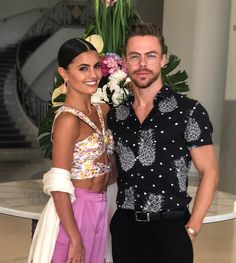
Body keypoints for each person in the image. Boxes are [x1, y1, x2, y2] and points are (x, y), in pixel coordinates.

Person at [107, 23, 219, 263]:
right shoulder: (117, 115)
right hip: (125, 229)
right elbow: (113, 170)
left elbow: (209, 171)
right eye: (135, 56)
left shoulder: (189, 111)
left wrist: (192, 228)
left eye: (151, 55)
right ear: (125, 62)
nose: (143, 64)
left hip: (171, 229)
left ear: (163, 60)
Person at [28, 38, 114, 263]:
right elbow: (58, 184)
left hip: (101, 206)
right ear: (64, 73)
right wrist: (75, 238)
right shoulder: (67, 120)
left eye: (96, 66)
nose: (93, 75)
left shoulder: (103, 110)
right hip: (74, 212)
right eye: (83, 68)